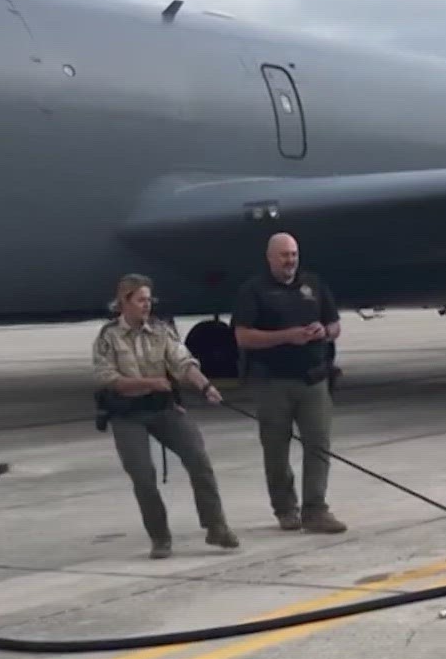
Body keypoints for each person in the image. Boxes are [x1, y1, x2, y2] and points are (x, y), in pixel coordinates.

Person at [91, 273, 238, 559]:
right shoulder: (108, 337)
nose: (147, 306)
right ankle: (160, 537)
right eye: (141, 300)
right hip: (128, 413)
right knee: (143, 475)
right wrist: (149, 383)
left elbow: (182, 362)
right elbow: (107, 378)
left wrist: (205, 385)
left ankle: (216, 527)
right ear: (125, 302)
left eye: (149, 300)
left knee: (199, 460)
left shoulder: (160, 331)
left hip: (162, 408)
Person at [233, 232, 347, 534]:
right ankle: (285, 509)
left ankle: (316, 509)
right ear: (270, 258)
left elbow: (335, 324)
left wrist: (323, 330)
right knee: (276, 450)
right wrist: (287, 336)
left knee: (318, 445)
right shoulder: (254, 290)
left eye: (293, 254)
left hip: (314, 380)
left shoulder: (313, 285)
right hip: (273, 383)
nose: (290, 261)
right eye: (284, 255)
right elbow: (243, 336)